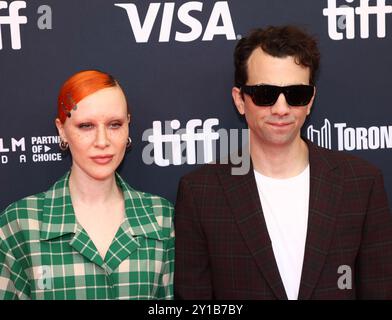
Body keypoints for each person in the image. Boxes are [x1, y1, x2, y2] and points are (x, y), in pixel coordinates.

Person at [174, 25, 392, 299]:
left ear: (310, 100)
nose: (281, 108)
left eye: (295, 94)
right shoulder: (200, 192)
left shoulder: (361, 183)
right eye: (265, 94)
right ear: (240, 100)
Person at [0, 70, 174, 300]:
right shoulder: (20, 223)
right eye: (86, 126)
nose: (102, 142)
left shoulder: (160, 216)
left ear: (128, 125)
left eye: (114, 124)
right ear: (61, 130)